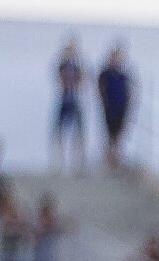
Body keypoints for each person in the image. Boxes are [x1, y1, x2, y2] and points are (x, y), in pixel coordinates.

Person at [51, 39, 88, 173]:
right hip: (64, 101)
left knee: (78, 133)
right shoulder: (62, 66)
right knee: (59, 132)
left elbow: (82, 81)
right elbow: (59, 81)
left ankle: (78, 164)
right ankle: (58, 164)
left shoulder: (77, 67)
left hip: (75, 101)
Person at [96, 45, 133, 169]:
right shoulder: (105, 74)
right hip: (109, 108)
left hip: (121, 108)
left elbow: (130, 91)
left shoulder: (123, 75)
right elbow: (100, 88)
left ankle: (116, 162)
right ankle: (108, 163)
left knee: (118, 136)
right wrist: (104, 103)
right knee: (109, 136)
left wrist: (128, 105)